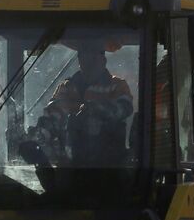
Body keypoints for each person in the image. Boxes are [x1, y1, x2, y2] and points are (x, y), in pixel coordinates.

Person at [32, 36, 135, 167]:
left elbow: (125, 108)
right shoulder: (66, 88)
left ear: (103, 59)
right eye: (84, 55)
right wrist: (37, 138)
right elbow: (51, 118)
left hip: (108, 167)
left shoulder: (117, 85)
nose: (88, 61)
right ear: (79, 60)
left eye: (93, 55)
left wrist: (96, 111)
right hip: (69, 167)